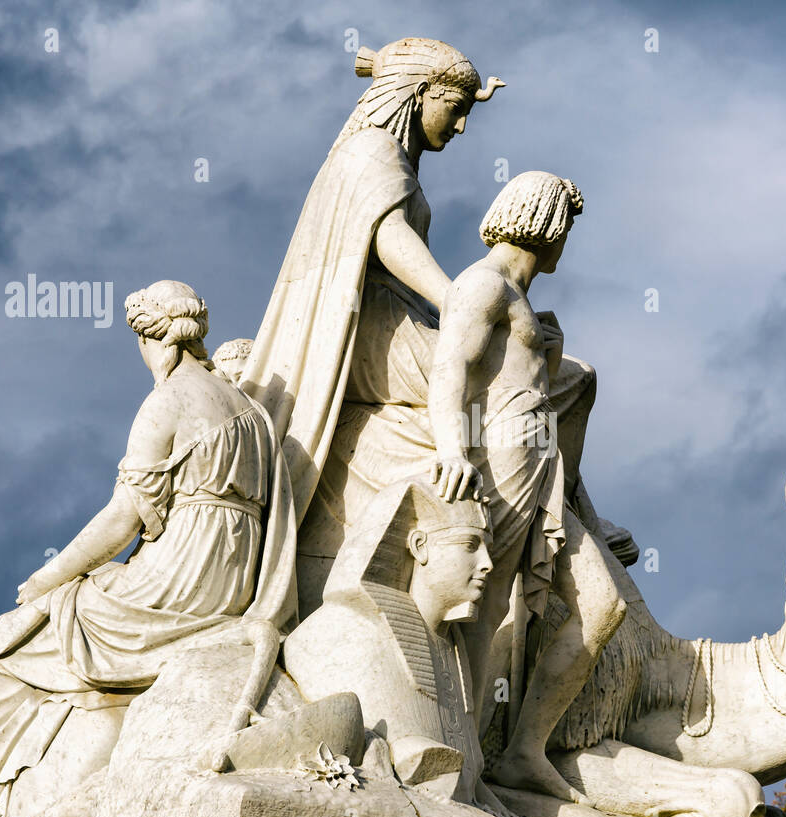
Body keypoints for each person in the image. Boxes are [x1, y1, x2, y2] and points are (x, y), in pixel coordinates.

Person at [0, 280, 297, 817]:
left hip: (174, 585)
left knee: (0, 643)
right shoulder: (254, 412)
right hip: (232, 584)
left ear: (148, 336)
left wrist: (49, 578)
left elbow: (122, 520)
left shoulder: (168, 400)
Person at [237, 37, 629, 618]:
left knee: (566, 376)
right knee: (528, 382)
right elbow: (391, 242)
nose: (463, 125)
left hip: (406, 320)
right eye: (457, 107)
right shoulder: (371, 152)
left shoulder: (392, 158)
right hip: (375, 334)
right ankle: (558, 519)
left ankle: (573, 510)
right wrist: (464, 302)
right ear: (419, 93)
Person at [429, 172, 626, 803]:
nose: (567, 241)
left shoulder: (522, 300)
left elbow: (563, 422)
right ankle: (460, 760)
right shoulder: (482, 286)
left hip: (544, 469)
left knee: (602, 606)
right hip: (502, 457)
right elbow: (449, 370)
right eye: (566, 224)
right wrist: (454, 450)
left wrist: (591, 514)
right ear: (546, 222)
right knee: (484, 616)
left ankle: (521, 752)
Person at [283, 477, 511, 817]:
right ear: (420, 546)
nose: (487, 563)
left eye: (487, 547)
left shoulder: (453, 649)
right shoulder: (341, 631)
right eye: (470, 545)